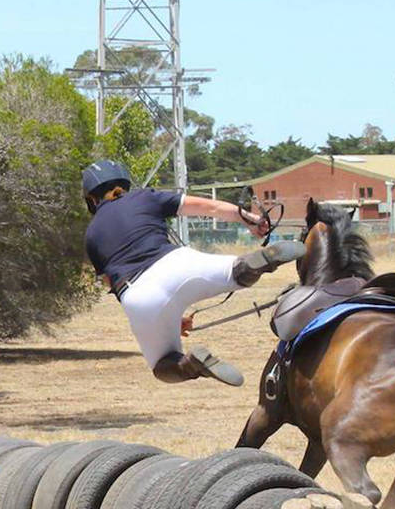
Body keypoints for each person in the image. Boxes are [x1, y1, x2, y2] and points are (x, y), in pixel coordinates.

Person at [82, 159, 304, 386]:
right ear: (124, 184)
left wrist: (167, 318)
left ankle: (193, 363)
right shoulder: (145, 197)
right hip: (178, 264)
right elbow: (208, 207)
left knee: (163, 365)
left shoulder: (91, 235)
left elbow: (112, 284)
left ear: (91, 199)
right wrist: (250, 219)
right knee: (236, 272)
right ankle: (255, 263)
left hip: (137, 294)